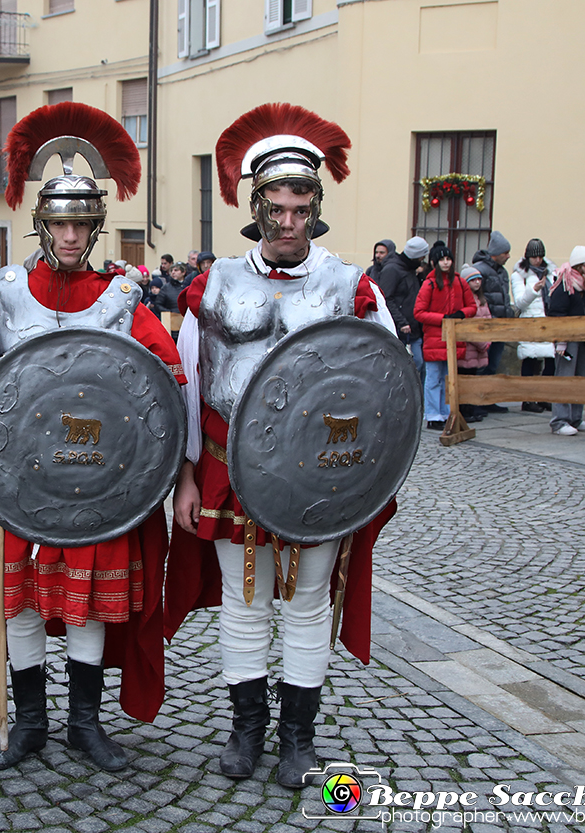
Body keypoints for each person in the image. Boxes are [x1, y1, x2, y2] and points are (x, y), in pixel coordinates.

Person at [166, 103, 398, 789]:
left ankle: (298, 738)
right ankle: (245, 730)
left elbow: (388, 391)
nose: (290, 220)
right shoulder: (213, 287)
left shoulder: (352, 287)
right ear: (256, 206)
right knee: (244, 602)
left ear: (315, 206)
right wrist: (184, 475)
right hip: (228, 465)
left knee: (306, 603)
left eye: (301, 206)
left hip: (320, 475)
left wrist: (367, 479)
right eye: (277, 207)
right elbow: (189, 383)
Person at [0, 101, 184, 773]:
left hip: (99, 481)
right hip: (17, 481)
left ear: (94, 228)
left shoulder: (122, 299)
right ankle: (30, 720)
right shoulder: (4, 293)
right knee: (24, 598)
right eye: (59, 222)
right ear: (43, 224)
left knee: (86, 603)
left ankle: (84, 722)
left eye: (81, 223)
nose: (69, 234)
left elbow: (166, 383)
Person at [414, 245, 475, 430]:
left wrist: (460, 314)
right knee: (433, 378)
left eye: (448, 259)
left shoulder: (460, 282)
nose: (446, 263)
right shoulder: (429, 284)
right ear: (435, 263)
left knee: (450, 379)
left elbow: (472, 306)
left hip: (454, 338)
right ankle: (433, 414)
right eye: (442, 260)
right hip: (435, 338)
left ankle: (449, 414)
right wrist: (442, 319)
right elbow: (419, 312)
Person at [545, 247, 585, 436]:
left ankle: (576, 417)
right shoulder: (565, 284)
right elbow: (557, 313)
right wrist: (561, 339)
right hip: (567, 340)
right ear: (577, 266)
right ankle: (559, 421)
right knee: (564, 379)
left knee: (579, 379)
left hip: (583, 337)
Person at [509, 239, 556, 413]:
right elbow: (520, 303)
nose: (537, 260)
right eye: (534, 257)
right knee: (530, 361)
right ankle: (527, 399)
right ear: (527, 257)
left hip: (547, 320)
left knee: (551, 362)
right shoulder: (519, 275)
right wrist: (534, 290)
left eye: (540, 256)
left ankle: (544, 396)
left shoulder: (550, 272)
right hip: (530, 321)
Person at [377, 235, 429, 382]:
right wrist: (401, 322)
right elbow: (386, 298)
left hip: (413, 328)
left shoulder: (409, 270)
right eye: (421, 258)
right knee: (410, 365)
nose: (422, 261)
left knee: (419, 364)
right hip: (401, 329)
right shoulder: (393, 269)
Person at [472, 230, 513, 408]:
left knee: (494, 364)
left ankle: (488, 399)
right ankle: (478, 399)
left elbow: (504, 296)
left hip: (501, 325)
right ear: (496, 253)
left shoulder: (502, 272)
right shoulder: (481, 270)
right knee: (483, 364)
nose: (508, 256)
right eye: (505, 253)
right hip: (487, 325)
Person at [455, 265, 492, 422]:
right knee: (464, 380)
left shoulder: (482, 301)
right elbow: (467, 326)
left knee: (475, 379)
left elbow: (488, 321)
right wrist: (482, 343)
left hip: (480, 347)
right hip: (469, 348)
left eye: (479, 279)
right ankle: (465, 411)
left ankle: (472, 408)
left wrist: (488, 338)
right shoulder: (464, 300)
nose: (477, 283)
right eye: (473, 280)